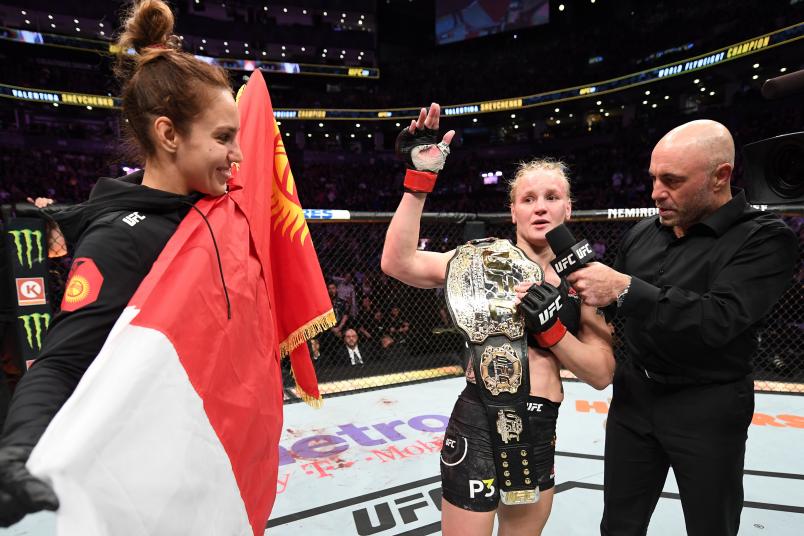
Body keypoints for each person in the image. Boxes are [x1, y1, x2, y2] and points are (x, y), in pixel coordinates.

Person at [0, 0, 245, 526]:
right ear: (169, 134)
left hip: (209, 456)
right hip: (150, 485)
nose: (237, 155)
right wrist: (16, 451)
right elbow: (63, 359)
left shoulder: (213, 207)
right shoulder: (118, 241)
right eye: (224, 138)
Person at [381, 103, 615, 536]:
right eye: (528, 199)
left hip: (539, 422)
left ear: (569, 209)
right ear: (513, 212)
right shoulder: (479, 259)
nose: (540, 207)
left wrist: (552, 329)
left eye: (552, 197)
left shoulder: (587, 281)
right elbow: (399, 262)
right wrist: (418, 183)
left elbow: (601, 373)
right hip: (477, 418)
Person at [566, 120, 797, 536]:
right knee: (618, 523)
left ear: (720, 177)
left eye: (671, 180)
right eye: (653, 178)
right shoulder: (642, 233)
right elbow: (615, 313)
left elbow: (719, 319)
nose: (656, 192)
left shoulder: (764, 238)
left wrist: (624, 288)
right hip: (634, 399)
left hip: (708, 405)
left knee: (712, 526)